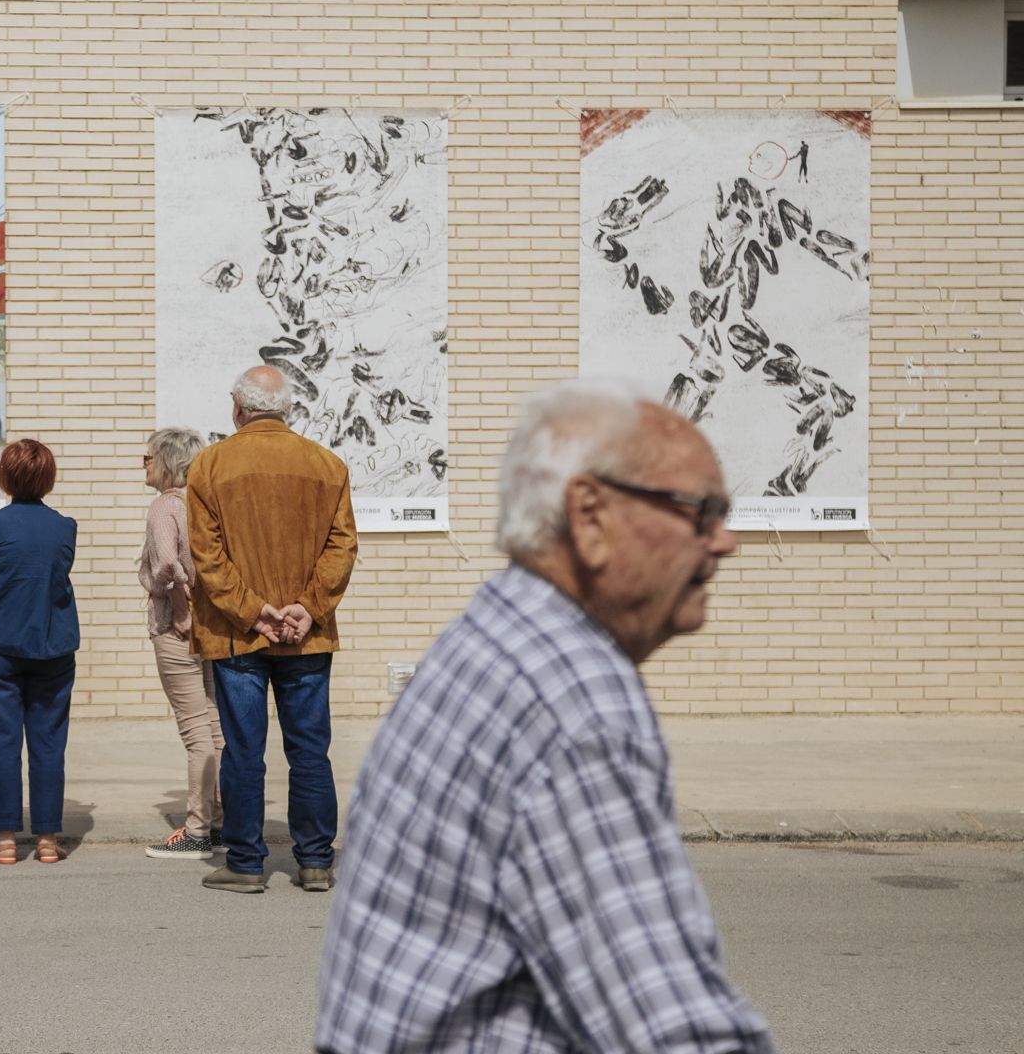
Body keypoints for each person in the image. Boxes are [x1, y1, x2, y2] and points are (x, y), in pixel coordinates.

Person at [316, 379, 774, 1053]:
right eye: (701, 511)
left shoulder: (501, 633)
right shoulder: (573, 699)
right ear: (589, 515)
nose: (725, 541)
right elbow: (668, 1026)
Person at [187, 365, 356, 894]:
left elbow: (206, 557)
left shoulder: (209, 465)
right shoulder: (327, 465)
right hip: (308, 635)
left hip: (237, 635)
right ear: (287, 410)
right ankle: (314, 861)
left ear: (238, 408)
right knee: (309, 749)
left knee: (243, 750)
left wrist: (254, 611)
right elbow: (342, 546)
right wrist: (307, 608)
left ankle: (245, 862)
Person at [0, 439, 79, 866]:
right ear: (48, 479)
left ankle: (8, 838)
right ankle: (48, 839)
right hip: (53, 644)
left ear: (5, 477)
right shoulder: (64, 526)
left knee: (3, 742)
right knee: (49, 743)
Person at [136, 426, 224, 859]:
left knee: (195, 730)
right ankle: (221, 818)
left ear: (168, 461)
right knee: (214, 726)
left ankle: (197, 829)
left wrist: (178, 604)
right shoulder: (206, 505)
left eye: (149, 456)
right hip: (213, 627)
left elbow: (168, 563)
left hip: (177, 627)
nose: (144, 463)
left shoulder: (163, 507)